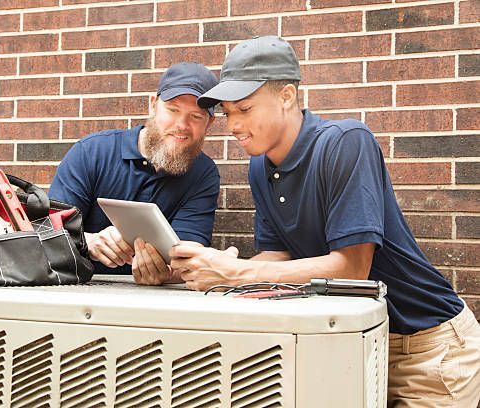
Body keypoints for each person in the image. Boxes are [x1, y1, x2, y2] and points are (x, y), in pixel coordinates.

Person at [170, 36, 480, 407]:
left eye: (245, 109)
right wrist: (210, 270)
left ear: (287, 96)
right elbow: (277, 255)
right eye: (228, 113)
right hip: (357, 341)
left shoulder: (346, 142)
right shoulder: (259, 166)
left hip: (428, 347)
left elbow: (352, 268)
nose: (233, 125)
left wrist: (235, 273)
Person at [49, 62, 220, 286]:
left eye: (196, 116)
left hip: (154, 302)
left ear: (210, 123)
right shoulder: (92, 152)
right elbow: (46, 229)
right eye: (173, 109)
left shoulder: (203, 174)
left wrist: (168, 274)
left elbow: (189, 256)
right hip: (75, 287)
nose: (182, 125)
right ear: (153, 105)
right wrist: (86, 242)